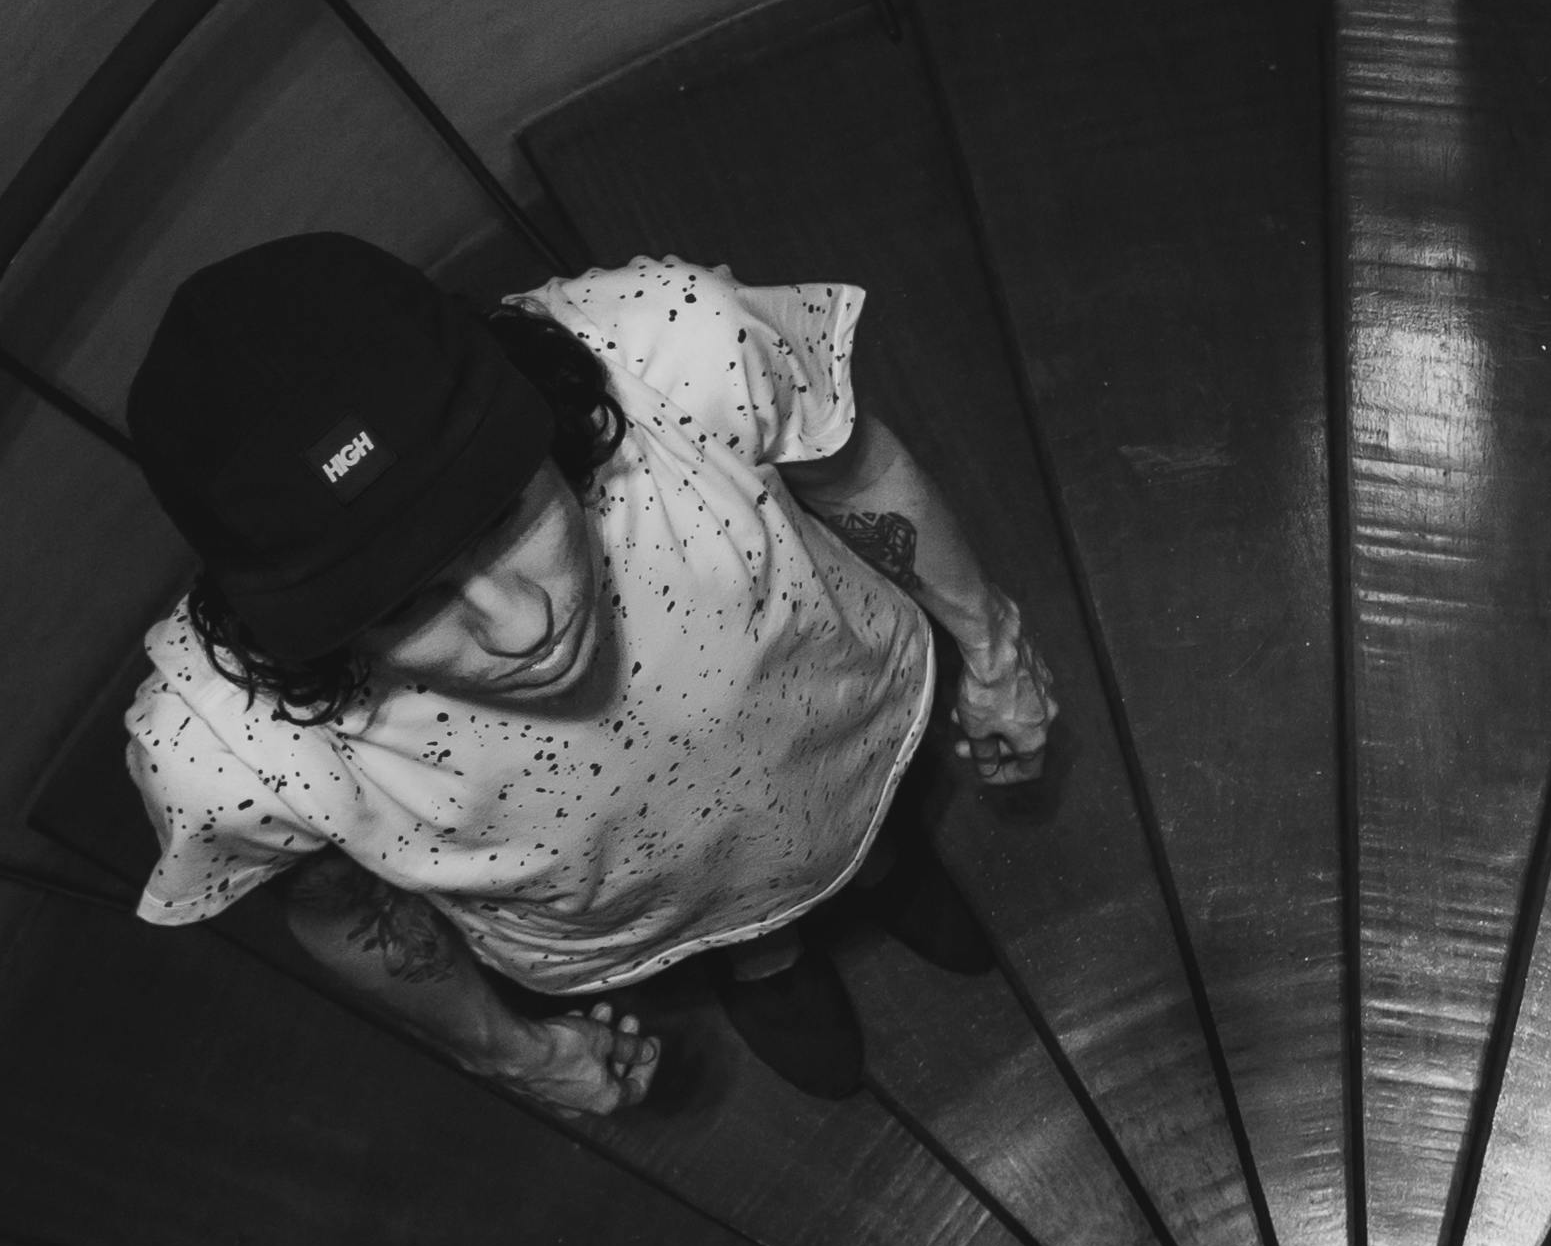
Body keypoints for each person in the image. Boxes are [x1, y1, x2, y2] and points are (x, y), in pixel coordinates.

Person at [116, 233, 1058, 1109]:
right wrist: (510, 1052)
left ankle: (880, 868)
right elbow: (333, 903)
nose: (521, 625)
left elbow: (848, 469)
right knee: (740, 928)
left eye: (498, 512)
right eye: (400, 603)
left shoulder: (674, 351)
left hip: (831, 730)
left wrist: (992, 650)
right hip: (639, 901)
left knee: (860, 816)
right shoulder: (222, 749)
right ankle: (761, 961)